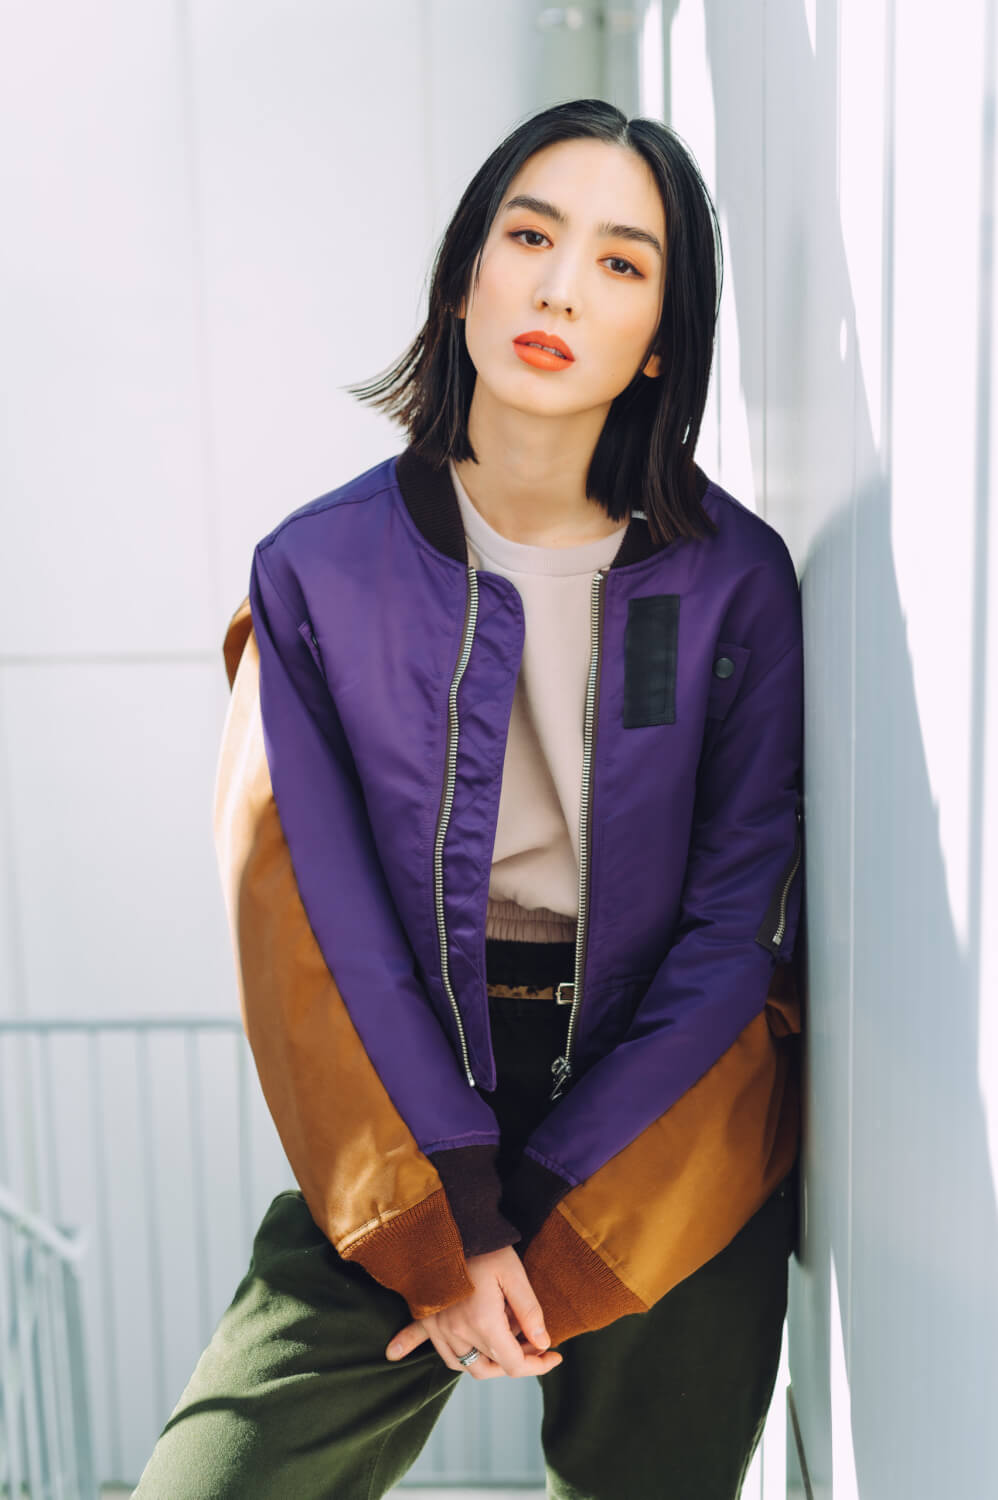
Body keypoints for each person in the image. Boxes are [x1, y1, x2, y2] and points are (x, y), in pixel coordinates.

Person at [133, 97, 804, 1500]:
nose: (561, 289)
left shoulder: (733, 578)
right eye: (530, 237)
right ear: (463, 280)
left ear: (662, 338)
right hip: (409, 1098)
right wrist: (453, 1219)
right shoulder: (317, 575)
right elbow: (309, 917)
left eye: (621, 262)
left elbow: (733, 927)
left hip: (667, 1117)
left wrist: (549, 1208)